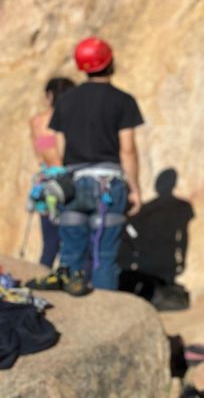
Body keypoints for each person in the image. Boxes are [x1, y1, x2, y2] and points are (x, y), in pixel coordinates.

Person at [28, 37, 144, 296]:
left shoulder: (50, 114)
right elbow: (127, 149)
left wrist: (59, 173)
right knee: (103, 256)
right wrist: (134, 188)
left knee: (63, 251)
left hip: (68, 183)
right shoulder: (122, 100)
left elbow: (51, 148)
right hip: (107, 182)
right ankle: (102, 314)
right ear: (110, 61)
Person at [28, 77, 75, 267]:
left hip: (46, 181)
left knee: (50, 242)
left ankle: (43, 277)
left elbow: (42, 152)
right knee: (73, 240)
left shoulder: (37, 122)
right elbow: (64, 153)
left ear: (49, 96)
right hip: (68, 182)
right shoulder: (71, 119)